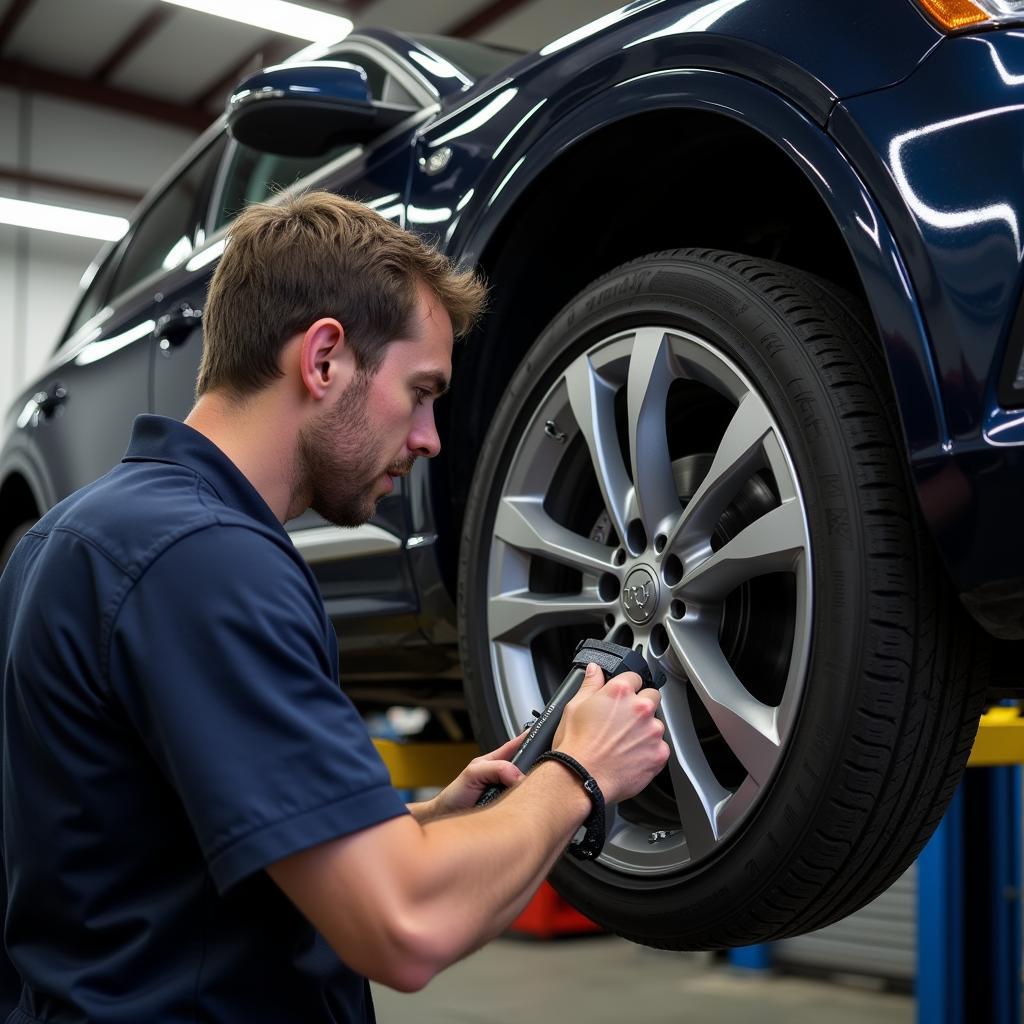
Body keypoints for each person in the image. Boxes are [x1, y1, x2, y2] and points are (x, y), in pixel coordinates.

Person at [0, 191, 670, 1023]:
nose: (429, 437)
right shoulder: (206, 561)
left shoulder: (64, 541)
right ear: (323, 360)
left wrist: (409, 823)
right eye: (420, 391)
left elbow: (145, 851)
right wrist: (580, 775)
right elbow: (405, 927)